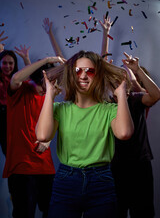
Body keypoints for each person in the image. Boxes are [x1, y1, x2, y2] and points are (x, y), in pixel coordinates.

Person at [35, 50, 134, 218]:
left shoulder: (109, 110)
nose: (83, 76)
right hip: (66, 181)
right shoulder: (60, 109)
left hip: (101, 181)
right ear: (71, 75)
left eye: (90, 71)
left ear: (98, 75)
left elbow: (124, 133)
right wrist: (50, 95)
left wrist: (121, 95)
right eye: (77, 71)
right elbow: (43, 136)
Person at [100, 17, 160, 218]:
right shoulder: (106, 104)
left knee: (142, 213)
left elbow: (156, 95)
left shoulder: (136, 99)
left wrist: (136, 71)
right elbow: (101, 67)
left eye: (123, 79)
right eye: (116, 80)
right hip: (114, 167)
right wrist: (105, 34)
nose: (120, 83)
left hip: (140, 165)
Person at [3, 56, 65, 218]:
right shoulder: (20, 90)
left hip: (45, 167)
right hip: (22, 167)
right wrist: (46, 60)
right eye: (48, 81)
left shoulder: (48, 98)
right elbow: (16, 77)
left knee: (50, 212)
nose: (51, 85)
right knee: (24, 213)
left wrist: (48, 140)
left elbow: (51, 125)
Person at [0, 46, 31, 156]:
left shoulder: (17, 78)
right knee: (7, 151)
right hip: (2, 117)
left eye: (10, 63)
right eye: (4, 63)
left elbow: (30, 77)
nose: (7, 66)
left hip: (15, 116)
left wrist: (26, 58)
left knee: (17, 151)